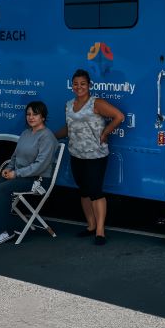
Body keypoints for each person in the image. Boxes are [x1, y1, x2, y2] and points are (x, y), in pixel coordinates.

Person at [54, 69, 125, 245]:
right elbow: (69, 128)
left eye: (83, 84)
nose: (79, 87)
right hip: (76, 154)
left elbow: (119, 116)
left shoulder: (96, 103)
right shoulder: (68, 104)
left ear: (89, 85)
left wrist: (105, 133)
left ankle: (100, 231)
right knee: (84, 191)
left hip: (96, 155)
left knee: (95, 191)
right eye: (76, 84)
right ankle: (91, 226)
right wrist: (51, 136)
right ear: (72, 86)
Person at [0, 101, 58, 246]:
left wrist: (16, 174)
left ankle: (6, 231)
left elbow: (40, 166)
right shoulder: (25, 133)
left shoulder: (47, 137)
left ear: (43, 117)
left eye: (35, 114)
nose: (31, 117)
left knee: (2, 189)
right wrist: (9, 168)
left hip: (37, 180)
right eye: (28, 114)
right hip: (21, 175)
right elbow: (15, 157)